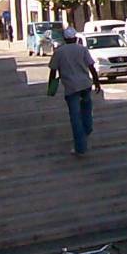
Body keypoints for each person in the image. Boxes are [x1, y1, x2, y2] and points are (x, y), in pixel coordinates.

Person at [48, 26, 101, 156]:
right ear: (75, 38)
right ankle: (87, 129)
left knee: (75, 117)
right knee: (87, 109)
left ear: (65, 39)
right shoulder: (82, 49)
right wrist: (97, 82)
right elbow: (91, 66)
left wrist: (51, 87)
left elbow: (53, 70)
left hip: (71, 88)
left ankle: (80, 147)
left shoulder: (59, 52)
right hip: (85, 85)